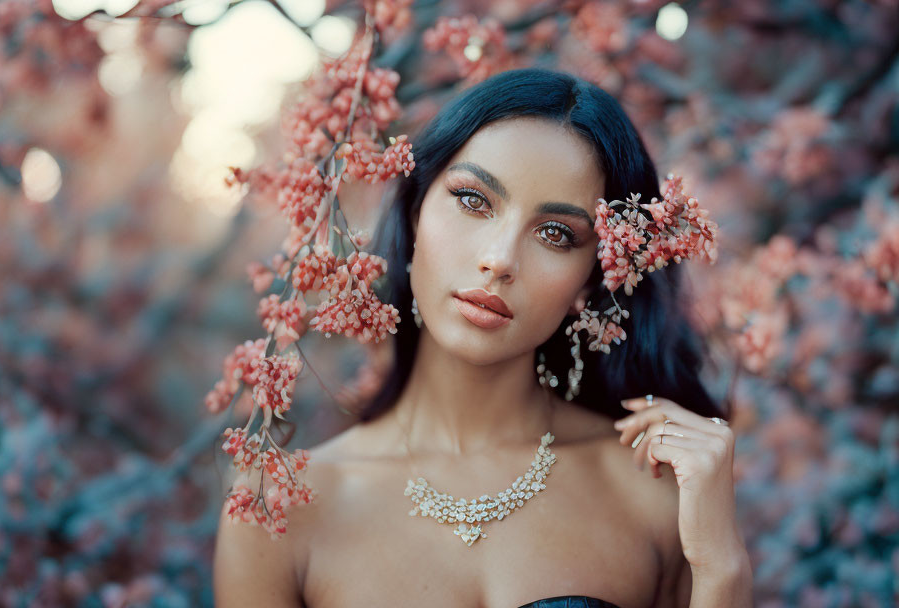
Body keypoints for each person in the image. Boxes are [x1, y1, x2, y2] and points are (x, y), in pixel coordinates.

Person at [213, 67, 753, 607]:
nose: (498, 259)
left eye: (556, 234)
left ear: (594, 277)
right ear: (415, 210)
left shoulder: (653, 493)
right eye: (474, 200)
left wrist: (721, 574)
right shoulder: (280, 511)